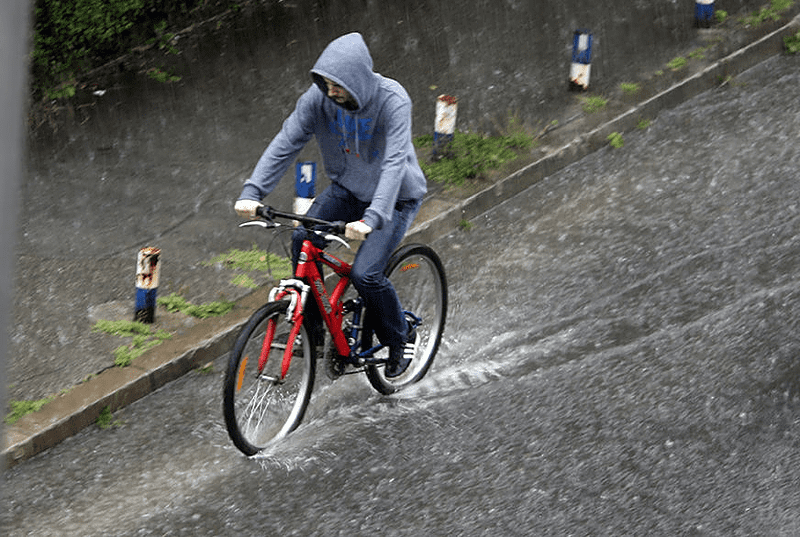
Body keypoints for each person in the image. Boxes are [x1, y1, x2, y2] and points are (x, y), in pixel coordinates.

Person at [234, 32, 427, 378]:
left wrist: (372, 217)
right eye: (324, 84)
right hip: (348, 189)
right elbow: (287, 141)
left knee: (365, 274)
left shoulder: (393, 100)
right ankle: (313, 332)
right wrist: (252, 191)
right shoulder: (318, 100)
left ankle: (401, 336)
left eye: (337, 85)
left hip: (394, 199)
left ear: (357, 78)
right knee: (302, 240)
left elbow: (395, 162)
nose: (330, 92)